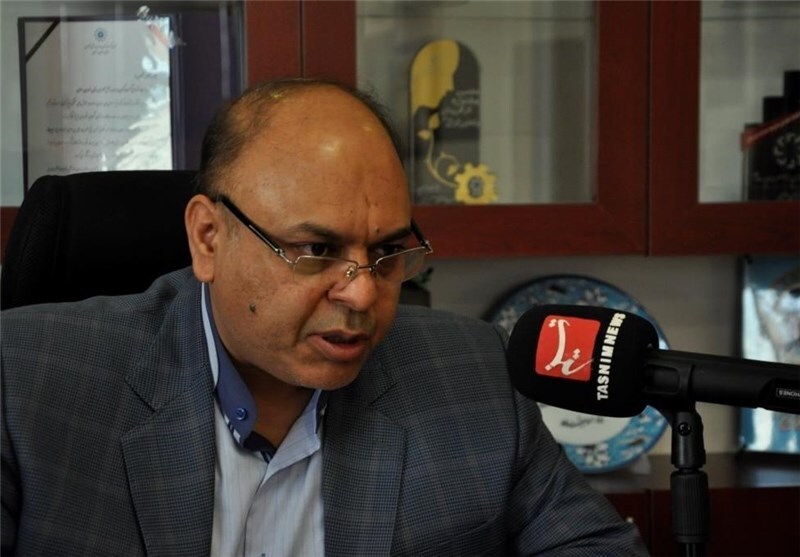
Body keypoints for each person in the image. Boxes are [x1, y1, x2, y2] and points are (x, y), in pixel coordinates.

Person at [1, 78, 649, 556]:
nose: (363, 296)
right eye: (316, 250)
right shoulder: (25, 384)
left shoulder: (469, 374)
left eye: (387, 251)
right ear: (207, 238)